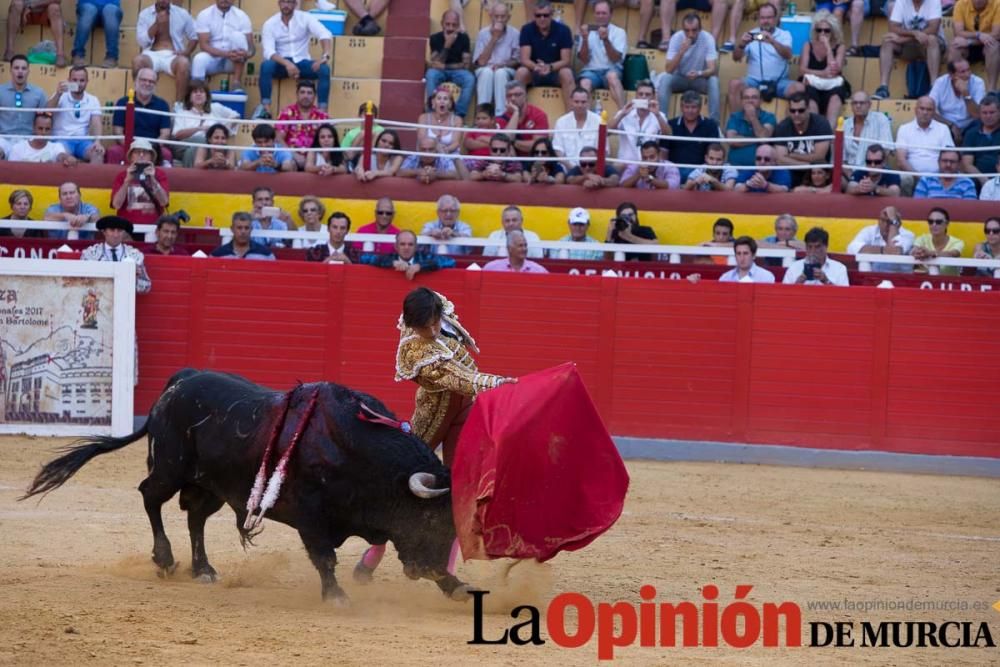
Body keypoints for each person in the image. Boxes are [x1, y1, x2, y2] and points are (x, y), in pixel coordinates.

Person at [353, 286, 516, 582]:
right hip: (433, 415)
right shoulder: (414, 348)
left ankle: (447, 572)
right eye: (424, 326)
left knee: (460, 488)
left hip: (464, 410)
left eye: (434, 322)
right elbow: (459, 378)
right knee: (401, 487)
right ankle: (374, 553)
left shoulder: (438, 306)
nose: (431, 329)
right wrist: (495, 383)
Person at [256, 0, 333, 120]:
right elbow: (268, 51)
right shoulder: (270, 23)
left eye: (289, 2)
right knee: (266, 66)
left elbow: (324, 34)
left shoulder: (305, 17)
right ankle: (265, 109)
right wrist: (287, 63)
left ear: (295, 4)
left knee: (324, 69)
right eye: (283, 2)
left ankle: (322, 113)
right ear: (279, 3)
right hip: (281, 64)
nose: (286, 5)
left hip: (302, 62)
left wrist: (325, 56)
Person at [727, 3, 802, 116]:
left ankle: (788, 129)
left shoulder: (784, 34)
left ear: (775, 19)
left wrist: (772, 41)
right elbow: (735, 58)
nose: (765, 21)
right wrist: (742, 44)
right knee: (734, 84)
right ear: (759, 19)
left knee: (799, 88)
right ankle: (737, 124)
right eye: (762, 18)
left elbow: (788, 55)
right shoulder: (751, 34)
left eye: (769, 17)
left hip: (779, 82)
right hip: (754, 82)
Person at [872, 0, 944, 101]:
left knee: (931, 39)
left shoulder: (934, 1)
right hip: (908, 45)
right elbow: (893, 27)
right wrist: (914, 33)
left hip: (929, 45)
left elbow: (933, 29)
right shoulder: (901, 2)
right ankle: (883, 88)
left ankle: (934, 88)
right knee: (887, 41)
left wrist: (904, 39)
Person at [657, 13, 720, 123]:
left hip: (699, 79)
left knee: (714, 81)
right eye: (687, 30)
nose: (690, 34)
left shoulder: (708, 38)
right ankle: (661, 122)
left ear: (700, 29)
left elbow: (713, 69)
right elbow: (668, 69)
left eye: (694, 30)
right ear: (683, 29)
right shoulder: (677, 38)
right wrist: (681, 52)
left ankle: (715, 125)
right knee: (665, 78)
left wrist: (699, 73)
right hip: (680, 77)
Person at [516, 0, 575, 109]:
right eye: (538, 15)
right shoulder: (527, 29)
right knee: (521, 72)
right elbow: (524, 59)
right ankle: (519, 114)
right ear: (534, 16)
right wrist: (536, 67)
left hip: (555, 72)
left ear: (551, 15)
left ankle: (572, 117)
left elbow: (566, 60)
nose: (542, 18)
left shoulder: (564, 30)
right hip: (534, 71)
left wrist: (550, 67)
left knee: (567, 73)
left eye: (545, 15)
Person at [134, 0, 197, 103]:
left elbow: (194, 36)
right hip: (152, 54)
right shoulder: (145, 14)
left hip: (172, 55)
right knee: (137, 61)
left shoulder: (182, 13)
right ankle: (138, 102)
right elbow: (142, 42)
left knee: (184, 63)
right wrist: (156, 24)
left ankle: (179, 106)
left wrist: (186, 52)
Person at [108, 68, 172, 165]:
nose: (147, 83)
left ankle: (160, 180)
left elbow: (165, 134)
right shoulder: (123, 102)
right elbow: (117, 131)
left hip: (152, 148)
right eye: (144, 80)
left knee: (166, 154)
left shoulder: (162, 105)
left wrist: (151, 149)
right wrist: (133, 147)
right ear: (136, 81)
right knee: (113, 152)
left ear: (155, 85)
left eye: (151, 81)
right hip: (128, 145)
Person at [799, 12, 850, 128]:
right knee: (810, 97)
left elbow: (834, 70)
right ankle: (815, 133)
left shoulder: (840, 47)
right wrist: (821, 73)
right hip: (812, 84)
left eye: (827, 30)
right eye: (819, 30)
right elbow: (802, 70)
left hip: (833, 85)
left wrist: (827, 47)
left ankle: (829, 134)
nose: (822, 33)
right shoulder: (808, 45)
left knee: (836, 98)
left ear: (833, 31)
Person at [171, 80, 240, 166]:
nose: (198, 94)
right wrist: (199, 129)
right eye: (195, 92)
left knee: (226, 148)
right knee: (201, 142)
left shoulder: (215, 108)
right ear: (189, 96)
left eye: (202, 92)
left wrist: (219, 129)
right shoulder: (182, 112)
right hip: (183, 145)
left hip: (211, 146)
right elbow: (177, 135)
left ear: (207, 96)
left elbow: (236, 116)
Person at [46, 66, 105, 164]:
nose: (78, 83)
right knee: (62, 157)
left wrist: (97, 142)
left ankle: (91, 179)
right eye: (74, 80)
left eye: (82, 80)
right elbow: (47, 112)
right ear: (69, 80)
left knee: (98, 154)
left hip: (83, 141)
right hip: (61, 139)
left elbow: (96, 122)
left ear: (87, 82)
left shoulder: (93, 100)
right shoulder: (60, 95)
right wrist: (58, 94)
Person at [895, 96, 954, 194]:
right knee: (904, 178)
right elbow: (901, 160)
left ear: (934, 112)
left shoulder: (943, 129)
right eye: (922, 108)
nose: (925, 112)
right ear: (915, 110)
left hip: (938, 175)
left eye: (929, 110)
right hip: (912, 176)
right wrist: (919, 177)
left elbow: (950, 156)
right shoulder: (904, 129)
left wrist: (936, 176)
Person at [773, 92, 833, 187]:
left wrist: (791, 155)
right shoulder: (782, 126)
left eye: (801, 110)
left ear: (808, 109)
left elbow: (819, 157)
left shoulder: (821, 123)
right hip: (792, 172)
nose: (796, 114)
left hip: (816, 174)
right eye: (793, 111)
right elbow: (780, 160)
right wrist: (808, 165)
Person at [575, 0, 627, 109]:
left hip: (611, 69)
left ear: (610, 14)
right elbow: (584, 60)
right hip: (591, 71)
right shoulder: (586, 31)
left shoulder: (619, 32)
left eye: (604, 13)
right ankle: (585, 118)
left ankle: (623, 113)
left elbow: (615, 59)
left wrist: (606, 40)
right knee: (585, 82)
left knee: (612, 76)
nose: (600, 16)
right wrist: (584, 39)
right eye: (598, 13)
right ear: (594, 14)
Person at [80, 216, 153, 293]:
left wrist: (135, 279)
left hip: (126, 301)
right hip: (98, 300)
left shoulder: (134, 255)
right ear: (104, 232)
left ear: (124, 233)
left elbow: (146, 287)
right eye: (112, 230)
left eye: (120, 230)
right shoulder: (90, 254)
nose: (116, 235)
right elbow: (80, 282)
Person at [608, 78, 671, 165]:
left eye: (647, 94)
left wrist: (657, 115)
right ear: (636, 96)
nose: (644, 97)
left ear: (653, 97)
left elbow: (669, 135)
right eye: (640, 94)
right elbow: (606, 132)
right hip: (625, 163)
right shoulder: (624, 113)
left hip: (648, 163)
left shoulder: (659, 115)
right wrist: (622, 114)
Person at [473, 2, 520, 117]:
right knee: (486, 72)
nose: (499, 20)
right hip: (485, 68)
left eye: (502, 16)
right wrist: (494, 37)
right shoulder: (483, 33)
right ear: (491, 16)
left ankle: (501, 116)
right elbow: (481, 62)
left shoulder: (515, 33)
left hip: (506, 69)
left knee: (500, 73)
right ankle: (483, 115)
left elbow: (517, 61)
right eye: (496, 16)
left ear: (508, 18)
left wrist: (502, 65)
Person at [192, 0, 254, 87]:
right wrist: (226, 54)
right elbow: (203, 46)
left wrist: (246, 53)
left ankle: (236, 83)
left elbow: (251, 48)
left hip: (233, 61)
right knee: (199, 59)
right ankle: (197, 90)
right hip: (213, 58)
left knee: (238, 36)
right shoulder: (204, 15)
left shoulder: (241, 16)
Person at [425, 10, 474, 119]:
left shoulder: (464, 38)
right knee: (431, 74)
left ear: (458, 25)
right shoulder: (435, 38)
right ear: (442, 23)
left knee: (469, 78)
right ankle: (431, 111)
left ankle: (459, 114)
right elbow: (435, 63)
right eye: (447, 24)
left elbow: (466, 65)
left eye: (454, 25)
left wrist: (445, 66)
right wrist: (447, 45)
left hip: (457, 72)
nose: (450, 28)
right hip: (440, 72)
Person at [664, 90, 722, 181]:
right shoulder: (671, 125)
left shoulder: (711, 125)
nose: (690, 111)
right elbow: (664, 153)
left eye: (693, 107)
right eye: (686, 107)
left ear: (700, 108)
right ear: (681, 107)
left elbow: (715, 153)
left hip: (701, 173)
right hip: (675, 172)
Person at [110, 138, 169, 226]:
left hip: (153, 227)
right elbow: (116, 205)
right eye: (137, 152)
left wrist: (153, 179)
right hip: (127, 227)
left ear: (151, 156)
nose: (141, 155)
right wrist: (126, 182)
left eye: (145, 152)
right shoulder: (122, 176)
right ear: (131, 156)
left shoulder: (160, 175)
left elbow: (164, 202)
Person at [929, 58, 987, 142]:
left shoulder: (978, 82)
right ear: (952, 75)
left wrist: (966, 94)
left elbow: (977, 115)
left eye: (968, 70)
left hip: (970, 125)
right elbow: (930, 110)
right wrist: (950, 125)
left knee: (981, 123)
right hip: (947, 124)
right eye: (963, 72)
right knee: (928, 118)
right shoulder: (940, 82)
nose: (968, 74)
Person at [360, 229, 456, 279]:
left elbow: (451, 262)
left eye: (410, 244)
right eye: (402, 244)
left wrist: (420, 266)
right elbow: (364, 258)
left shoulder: (423, 258)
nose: (406, 247)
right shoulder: (390, 258)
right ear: (396, 246)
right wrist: (392, 263)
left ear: (416, 247)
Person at [948, 0, 999, 93]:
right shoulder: (961, 4)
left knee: (993, 45)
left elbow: (997, 34)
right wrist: (978, 35)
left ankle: (992, 90)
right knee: (955, 45)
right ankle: (955, 87)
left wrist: (971, 42)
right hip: (970, 42)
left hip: (987, 44)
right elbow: (958, 32)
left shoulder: (997, 4)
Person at [845, 205, 916, 272]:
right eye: (882, 220)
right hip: (873, 277)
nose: (885, 225)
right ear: (878, 221)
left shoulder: (908, 235)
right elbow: (851, 248)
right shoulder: (869, 231)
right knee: (864, 263)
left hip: (899, 277)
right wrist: (883, 250)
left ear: (898, 223)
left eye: (889, 222)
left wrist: (893, 223)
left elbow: (895, 252)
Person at [276, 80, 329, 170]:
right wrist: (294, 155)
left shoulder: (322, 116)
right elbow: (278, 138)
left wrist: (311, 159)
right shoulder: (287, 112)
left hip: (315, 158)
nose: (306, 96)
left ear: (314, 96)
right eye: (302, 92)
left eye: (309, 93)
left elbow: (328, 141)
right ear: (297, 94)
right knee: (287, 166)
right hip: (291, 156)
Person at [842, 92, 894, 171]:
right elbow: (841, 158)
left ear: (869, 105)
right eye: (855, 103)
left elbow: (886, 151)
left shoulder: (881, 119)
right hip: (850, 171)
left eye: (862, 103)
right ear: (851, 106)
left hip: (875, 170)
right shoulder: (845, 124)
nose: (858, 106)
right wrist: (852, 177)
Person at [4, 0, 65, 67]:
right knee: (16, 4)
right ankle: (9, 51)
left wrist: (32, 6)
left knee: (55, 7)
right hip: (25, 12)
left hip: (45, 13)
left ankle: (60, 55)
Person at [496, 80, 549, 157]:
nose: (513, 98)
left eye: (517, 95)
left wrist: (513, 143)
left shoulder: (539, 115)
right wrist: (516, 113)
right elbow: (502, 145)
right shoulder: (501, 118)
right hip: (511, 162)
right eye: (509, 95)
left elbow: (538, 146)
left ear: (525, 96)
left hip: (533, 159)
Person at [782, 226, 849, 286]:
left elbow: (845, 296)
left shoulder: (839, 269)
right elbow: (783, 295)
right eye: (809, 247)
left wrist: (826, 281)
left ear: (826, 246)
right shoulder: (794, 267)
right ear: (806, 247)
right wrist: (798, 283)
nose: (813, 251)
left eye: (817, 247)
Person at [0, 54, 46, 139]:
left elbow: (45, 116)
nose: (20, 71)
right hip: (3, 138)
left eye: (24, 68)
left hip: (29, 139)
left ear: (28, 71)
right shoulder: (0, 91)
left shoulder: (39, 93)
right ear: (10, 70)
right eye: (16, 68)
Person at [552, 87, 600, 167]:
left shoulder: (598, 121)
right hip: (567, 169)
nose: (580, 105)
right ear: (571, 102)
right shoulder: (561, 122)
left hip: (591, 168)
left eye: (583, 102)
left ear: (589, 102)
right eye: (576, 102)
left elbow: (603, 151)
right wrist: (571, 168)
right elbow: (558, 150)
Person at [912, 207, 964, 275]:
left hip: (950, 283)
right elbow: (914, 250)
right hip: (926, 283)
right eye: (931, 222)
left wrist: (930, 253)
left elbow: (952, 254)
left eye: (938, 222)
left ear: (947, 224)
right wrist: (917, 252)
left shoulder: (957, 242)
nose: (934, 225)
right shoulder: (922, 239)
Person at [7, 112, 75, 165]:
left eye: (47, 129)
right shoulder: (18, 148)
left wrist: (67, 158)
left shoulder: (56, 147)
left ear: (51, 130)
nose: (43, 132)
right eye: (40, 128)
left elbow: (61, 155)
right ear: (33, 128)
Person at [961, 94, 1000, 185]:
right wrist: (984, 180)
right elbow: (967, 164)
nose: (988, 116)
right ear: (980, 114)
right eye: (984, 113)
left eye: (992, 112)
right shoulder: (971, 133)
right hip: (977, 180)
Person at [71, 1, 120, 67]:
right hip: (87, 7)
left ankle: (112, 57)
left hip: (111, 7)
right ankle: (77, 55)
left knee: (110, 10)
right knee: (89, 10)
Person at [913, 149, 978, 199]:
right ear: (938, 162)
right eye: (944, 161)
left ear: (959, 164)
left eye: (952, 162)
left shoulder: (967, 183)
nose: (948, 165)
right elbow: (918, 206)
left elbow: (969, 210)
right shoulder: (926, 180)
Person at [418, 87, 464, 156]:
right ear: (433, 102)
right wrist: (436, 148)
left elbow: (456, 143)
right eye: (439, 98)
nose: (442, 101)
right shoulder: (423, 118)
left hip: (449, 155)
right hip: (428, 154)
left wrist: (445, 151)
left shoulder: (457, 120)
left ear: (450, 103)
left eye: (445, 99)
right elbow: (421, 139)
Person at [397, 137, 463, 183]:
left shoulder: (443, 158)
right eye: (423, 149)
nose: (427, 153)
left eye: (431, 149)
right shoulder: (413, 157)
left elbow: (455, 174)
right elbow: (399, 172)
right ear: (418, 150)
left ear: (436, 150)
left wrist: (436, 174)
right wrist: (418, 172)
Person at [212, 212, 276, 259]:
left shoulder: (266, 254)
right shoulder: (218, 254)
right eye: (239, 228)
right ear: (232, 229)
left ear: (251, 229)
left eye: (246, 228)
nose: (243, 231)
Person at [483, 230, 549, 273]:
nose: (524, 249)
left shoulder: (539, 270)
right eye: (520, 246)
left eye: (525, 245)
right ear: (509, 248)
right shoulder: (492, 268)